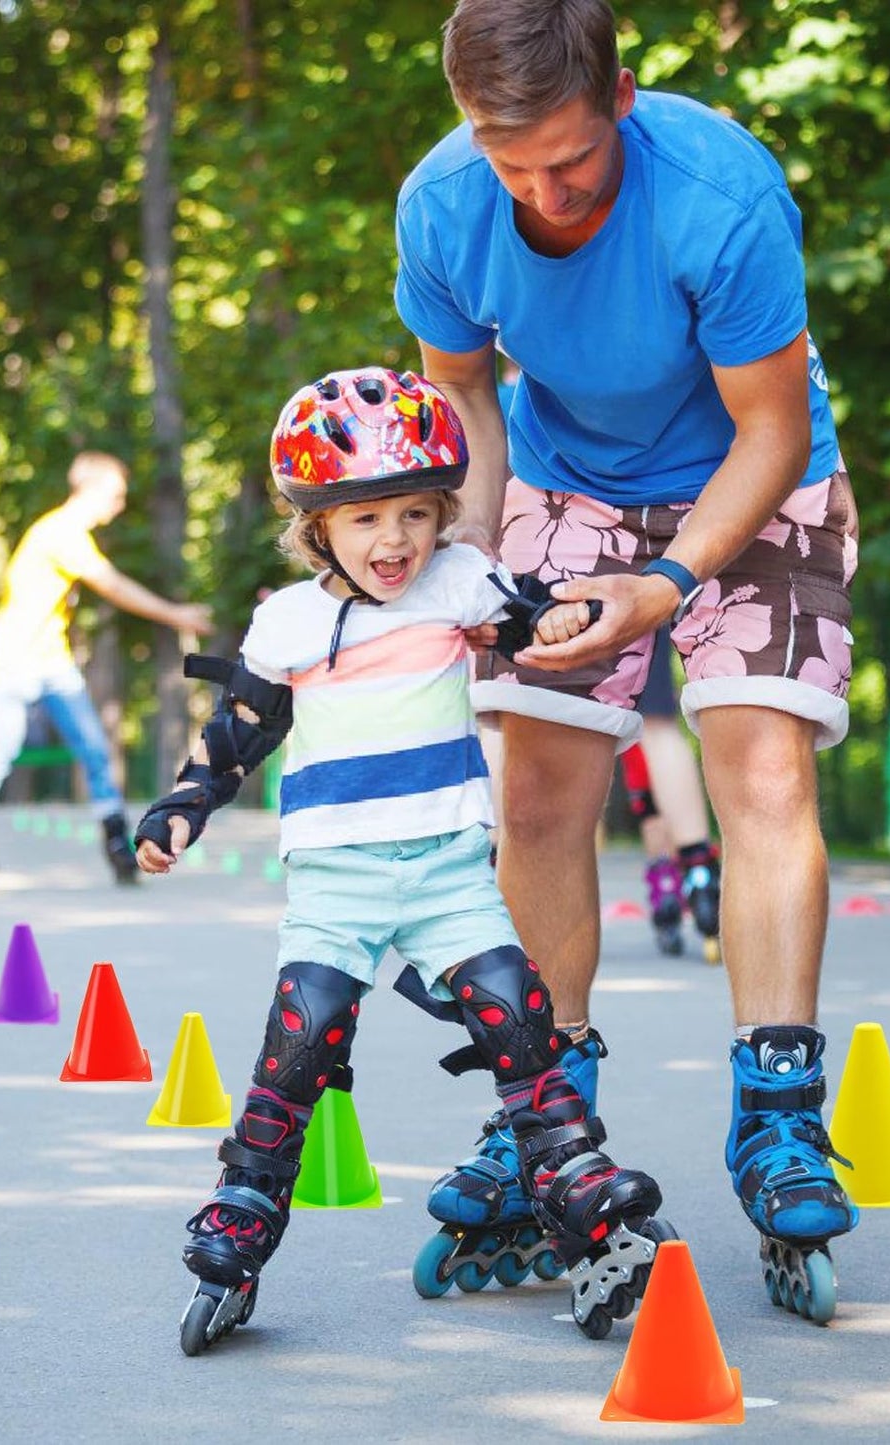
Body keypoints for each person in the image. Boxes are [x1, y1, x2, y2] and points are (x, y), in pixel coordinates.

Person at [395, 0, 859, 1322]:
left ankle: (778, 1109)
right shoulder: (441, 205)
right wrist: (472, 561)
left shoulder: (717, 193)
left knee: (760, 771)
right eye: (510, 164)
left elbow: (768, 430)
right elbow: (465, 394)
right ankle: (543, 1113)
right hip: (562, 477)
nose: (543, 196)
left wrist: (665, 584)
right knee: (539, 790)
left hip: (750, 470)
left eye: (570, 161)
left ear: (623, 96)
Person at [134, 367, 667, 1354]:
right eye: (367, 517)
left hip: (447, 869)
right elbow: (238, 730)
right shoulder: (289, 622)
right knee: (301, 1040)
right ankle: (242, 1213)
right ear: (317, 526)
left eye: (416, 513)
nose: (395, 539)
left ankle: (571, 1182)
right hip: (335, 877)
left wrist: (549, 618)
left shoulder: (457, 582)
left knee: (517, 1011)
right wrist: (182, 806)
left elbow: (522, 614)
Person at [0, 451, 212, 886]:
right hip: (15, 657)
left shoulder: (64, 532)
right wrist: (176, 615)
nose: (119, 505)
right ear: (94, 489)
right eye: (116, 495)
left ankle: (117, 846)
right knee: (1, 748)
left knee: (93, 749)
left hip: (52, 660)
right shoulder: (61, 533)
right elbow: (113, 586)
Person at [618, 625, 722, 960]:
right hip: (639, 596)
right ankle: (700, 875)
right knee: (657, 727)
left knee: (524, 720)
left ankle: (498, 867)